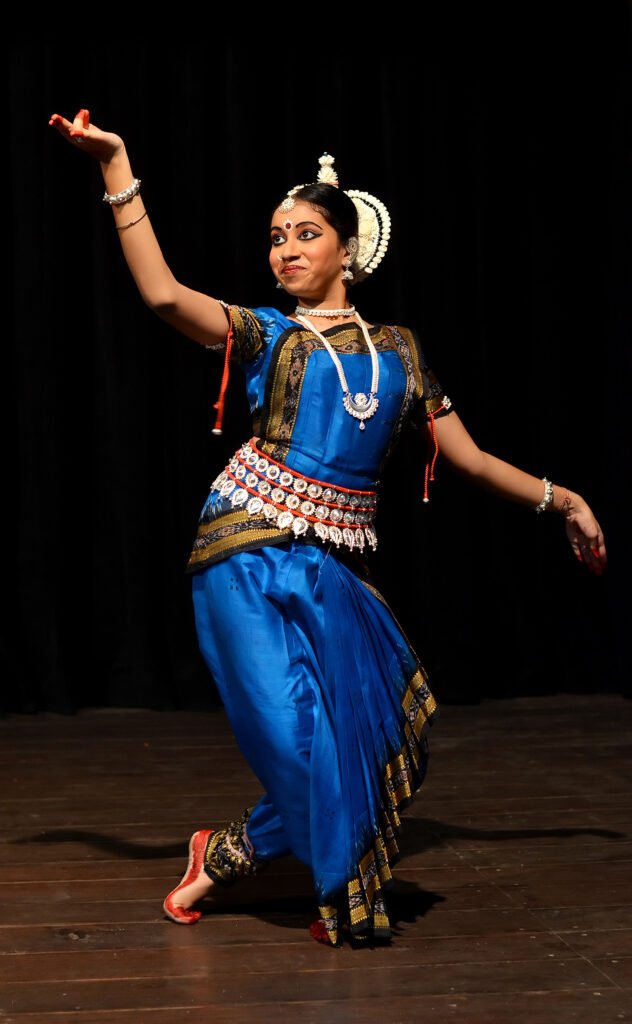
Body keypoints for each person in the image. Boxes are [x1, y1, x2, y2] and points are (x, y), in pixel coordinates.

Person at [48, 107, 607, 947]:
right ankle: (292, 877)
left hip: (330, 570)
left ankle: (226, 854)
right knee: (307, 746)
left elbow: (472, 459)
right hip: (240, 553)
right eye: (276, 237)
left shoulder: (401, 354)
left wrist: (559, 498)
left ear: (349, 249)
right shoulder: (269, 335)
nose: (286, 250)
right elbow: (162, 293)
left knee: (378, 745)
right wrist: (115, 166)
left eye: (305, 233)